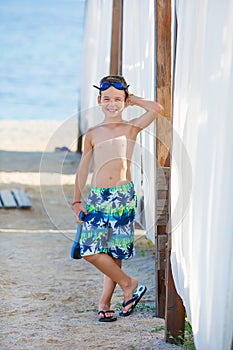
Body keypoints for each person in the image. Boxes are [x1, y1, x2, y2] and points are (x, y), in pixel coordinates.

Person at [72, 75, 163, 322]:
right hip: (98, 198)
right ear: (99, 100)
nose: (112, 103)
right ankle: (129, 284)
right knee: (90, 251)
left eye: (118, 99)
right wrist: (77, 201)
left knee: (115, 254)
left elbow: (157, 109)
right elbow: (83, 169)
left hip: (123, 196)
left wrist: (132, 98)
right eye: (107, 99)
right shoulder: (92, 133)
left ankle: (105, 302)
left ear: (124, 101)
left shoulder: (131, 127)